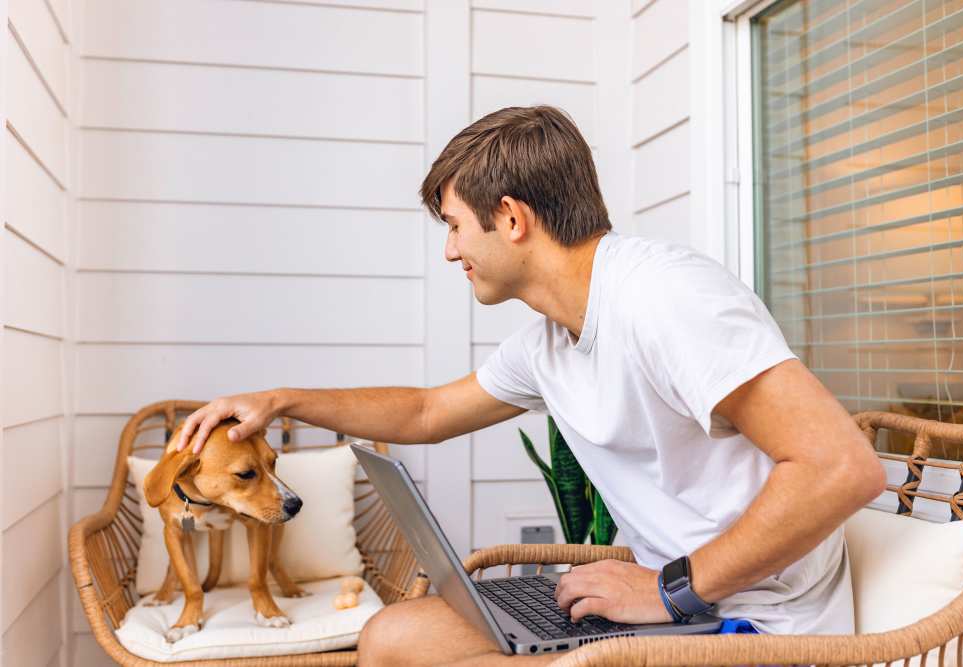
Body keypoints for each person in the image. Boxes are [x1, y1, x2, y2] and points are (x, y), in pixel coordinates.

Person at [176, 106, 886, 666]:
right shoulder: (552, 340)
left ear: (511, 218)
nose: (451, 249)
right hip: (673, 615)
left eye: (455, 226)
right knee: (393, 637)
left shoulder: (666, 299)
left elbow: (841, 466)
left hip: (760, 629)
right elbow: (427, 411)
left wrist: (669, 588)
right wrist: (279, 400)